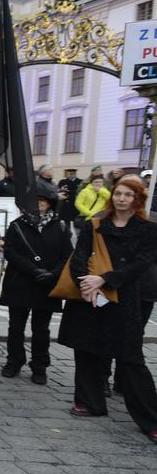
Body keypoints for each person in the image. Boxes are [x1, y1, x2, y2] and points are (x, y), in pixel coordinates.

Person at [57, 175, 157, 443]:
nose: (121, 199)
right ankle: (91, 403)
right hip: (90, 297)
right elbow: (79, 258)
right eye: (118, 194)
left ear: (137, 200)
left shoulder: (148, 230)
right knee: (87, 351)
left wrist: (106, 279)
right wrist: (88, 286)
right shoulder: (95, 225)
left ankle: (150, 419)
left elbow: (140, 264)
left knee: (131, 359)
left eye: (128, 195)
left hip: (124, 299)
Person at [0, 181, 72, 384]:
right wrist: (33, 270)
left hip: (46, 284)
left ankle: (40, 366)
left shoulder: (60, 226)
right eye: (35, 200)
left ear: (50, 203)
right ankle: (14, 361)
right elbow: (10, 252)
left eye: (43, 200)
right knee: (16, 326)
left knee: (41, 329)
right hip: (20, 282)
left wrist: (53, 274)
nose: (39, 204)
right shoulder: (17, 225)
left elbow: (67, 255)